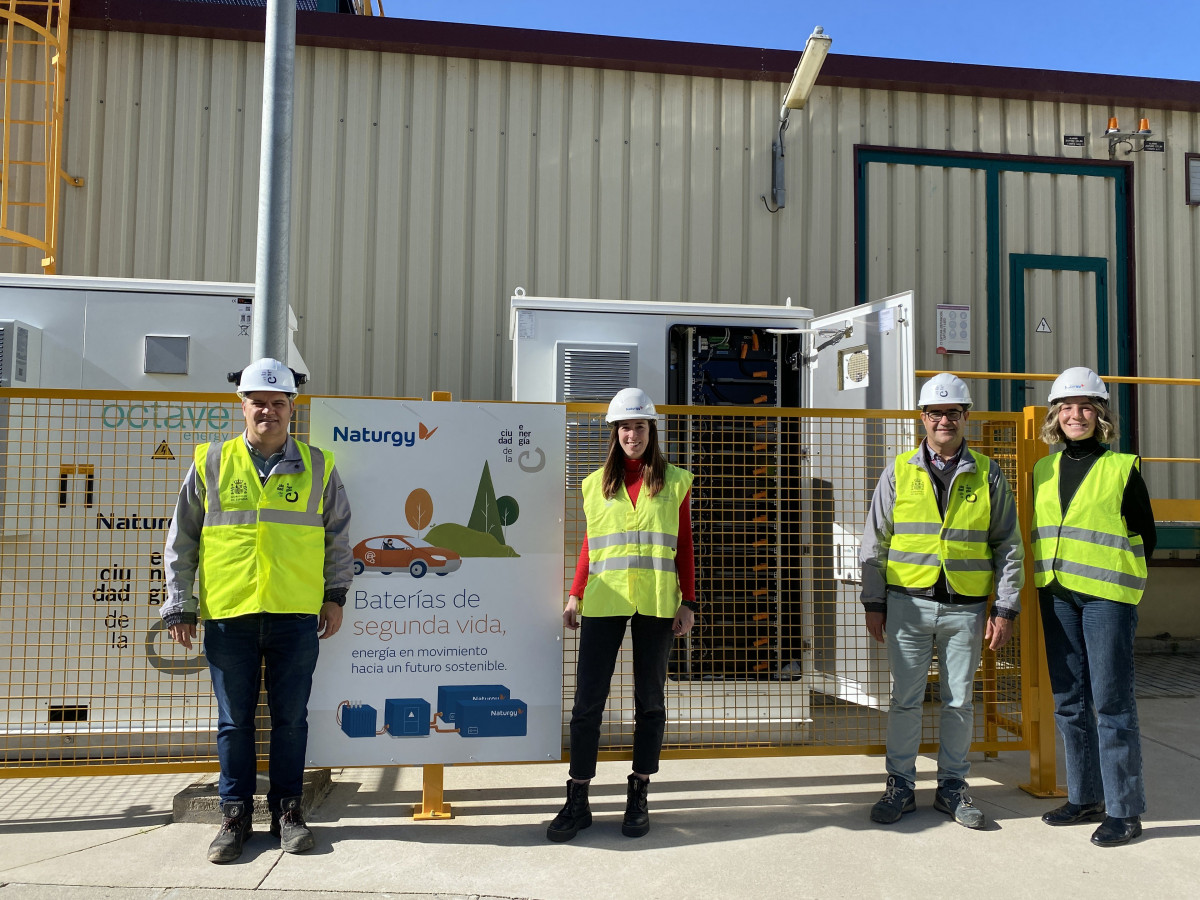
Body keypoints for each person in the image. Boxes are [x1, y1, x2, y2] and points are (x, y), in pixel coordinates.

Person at [162, 357, 353, 863]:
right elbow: (181, 540)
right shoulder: (211, 461)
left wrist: (336, 595)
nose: (268, 410)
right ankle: (234, 816)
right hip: (229, 614)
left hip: (295, 615)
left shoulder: (319, 466)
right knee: (234, 722)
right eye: (258, 402)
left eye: (278, 402)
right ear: (242, 406)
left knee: (291, 720)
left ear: (293, 408)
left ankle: (289, 813)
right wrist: (181, 605)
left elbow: (338, 538)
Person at [860, 372, 1024, 829]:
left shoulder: (988, 473)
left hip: (966, 608)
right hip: (907, 607)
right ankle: (900, 786)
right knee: (905, 701)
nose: (944, 421)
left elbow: (1008, 544)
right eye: (936, 413)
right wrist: (874, 603)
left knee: (958, 703)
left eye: (953, 413)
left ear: (966, 417)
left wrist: (1005, 607)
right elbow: (875, 542)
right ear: (922, 418)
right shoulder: (899, 470)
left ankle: (953, 787)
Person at [546, 387, 698, 842]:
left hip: (656, 601)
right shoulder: (596, 484)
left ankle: (639, 791)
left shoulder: (675, 482)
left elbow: (685, 546)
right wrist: (575, 594)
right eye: (625, 427)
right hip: (605, 600)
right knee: (586, 703)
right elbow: (592, 545)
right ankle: (577, 797)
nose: (632, 434)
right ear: (614, 433)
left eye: (640, 426)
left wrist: (689, 601)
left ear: (652, 431)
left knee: (650, 702)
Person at [1032, 367, 1155, 847]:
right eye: (1066, 407)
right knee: (1068, 702)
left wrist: (1123, 584)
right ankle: (1084, 797)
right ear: (1055, 417)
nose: (1075, 415)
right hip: (1057, 592)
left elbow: (1147, 535)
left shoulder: (1122, 467)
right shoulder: (1044, 469)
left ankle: (1125, 810)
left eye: (1085, 407)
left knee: (1111, 703)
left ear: (1100, 415)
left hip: (1107, 598)